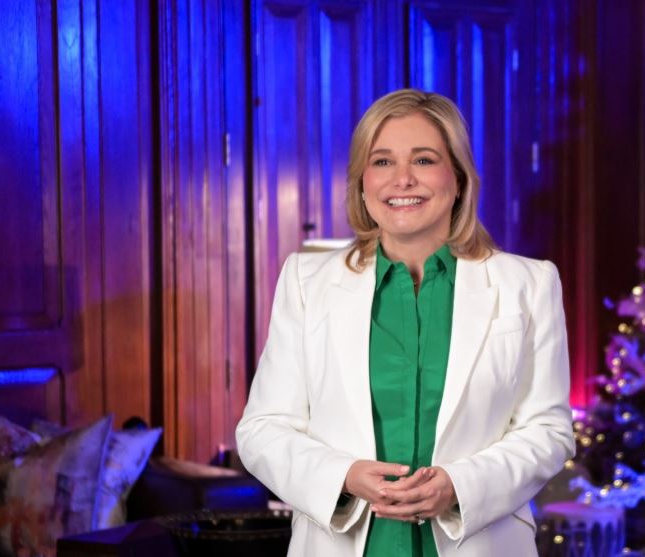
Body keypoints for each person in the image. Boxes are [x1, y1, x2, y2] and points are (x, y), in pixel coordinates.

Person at [236, 89, 574, 556]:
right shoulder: (305, 282)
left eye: (424, 159)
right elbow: (263, 429)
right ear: (362, 182)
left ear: (458, 177)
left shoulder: (529, 284)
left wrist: (459, 486)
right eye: (382, 162)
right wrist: (345, 477)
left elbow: (548, 430)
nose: (402, 179)